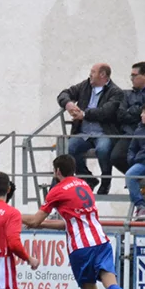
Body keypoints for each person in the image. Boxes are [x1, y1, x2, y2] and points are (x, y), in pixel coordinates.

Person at [22, 155, 142, 289]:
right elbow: (69, 223)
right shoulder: (84, 185)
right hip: (101, 241)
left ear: (58, 171)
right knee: (111, 284)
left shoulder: (57, 191)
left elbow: (34, 220)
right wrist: (40, 224)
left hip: (80, 248)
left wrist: (12, 215)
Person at [57, 63, 123, 194]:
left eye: (93, 72)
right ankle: (87, 177)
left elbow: (106, 112)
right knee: (69, 148)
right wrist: (68, 104)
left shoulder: (115, 92)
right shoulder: (85, 85)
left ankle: (106, 180)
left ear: (102, 75)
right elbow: (64, 94)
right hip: (84, 133)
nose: (90, 74)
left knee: (103, 149)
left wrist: (85, 114)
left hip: (103, 133)